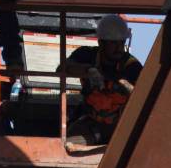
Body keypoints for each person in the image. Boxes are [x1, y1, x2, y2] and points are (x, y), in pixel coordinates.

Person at [61, 14, 143, 147]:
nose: (119, 47)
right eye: (113, 42)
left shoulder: (131, 66)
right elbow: (62, 68)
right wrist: (88, 71)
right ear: (101, 42)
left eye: (122, 42)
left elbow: (145, 96)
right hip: (92, 121)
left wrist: (126, 85)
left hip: (121, 126)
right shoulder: (87, 55)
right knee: (68, 145)